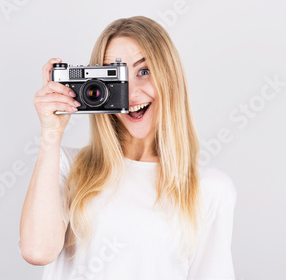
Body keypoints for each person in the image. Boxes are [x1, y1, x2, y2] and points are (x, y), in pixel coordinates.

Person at [19, 16, 237, 279]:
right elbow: (37, 252)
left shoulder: (210, 188)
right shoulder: (66, 165)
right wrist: (51, 135)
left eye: (143, 72)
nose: (130, 93)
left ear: (170, 77)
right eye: (115, 76)